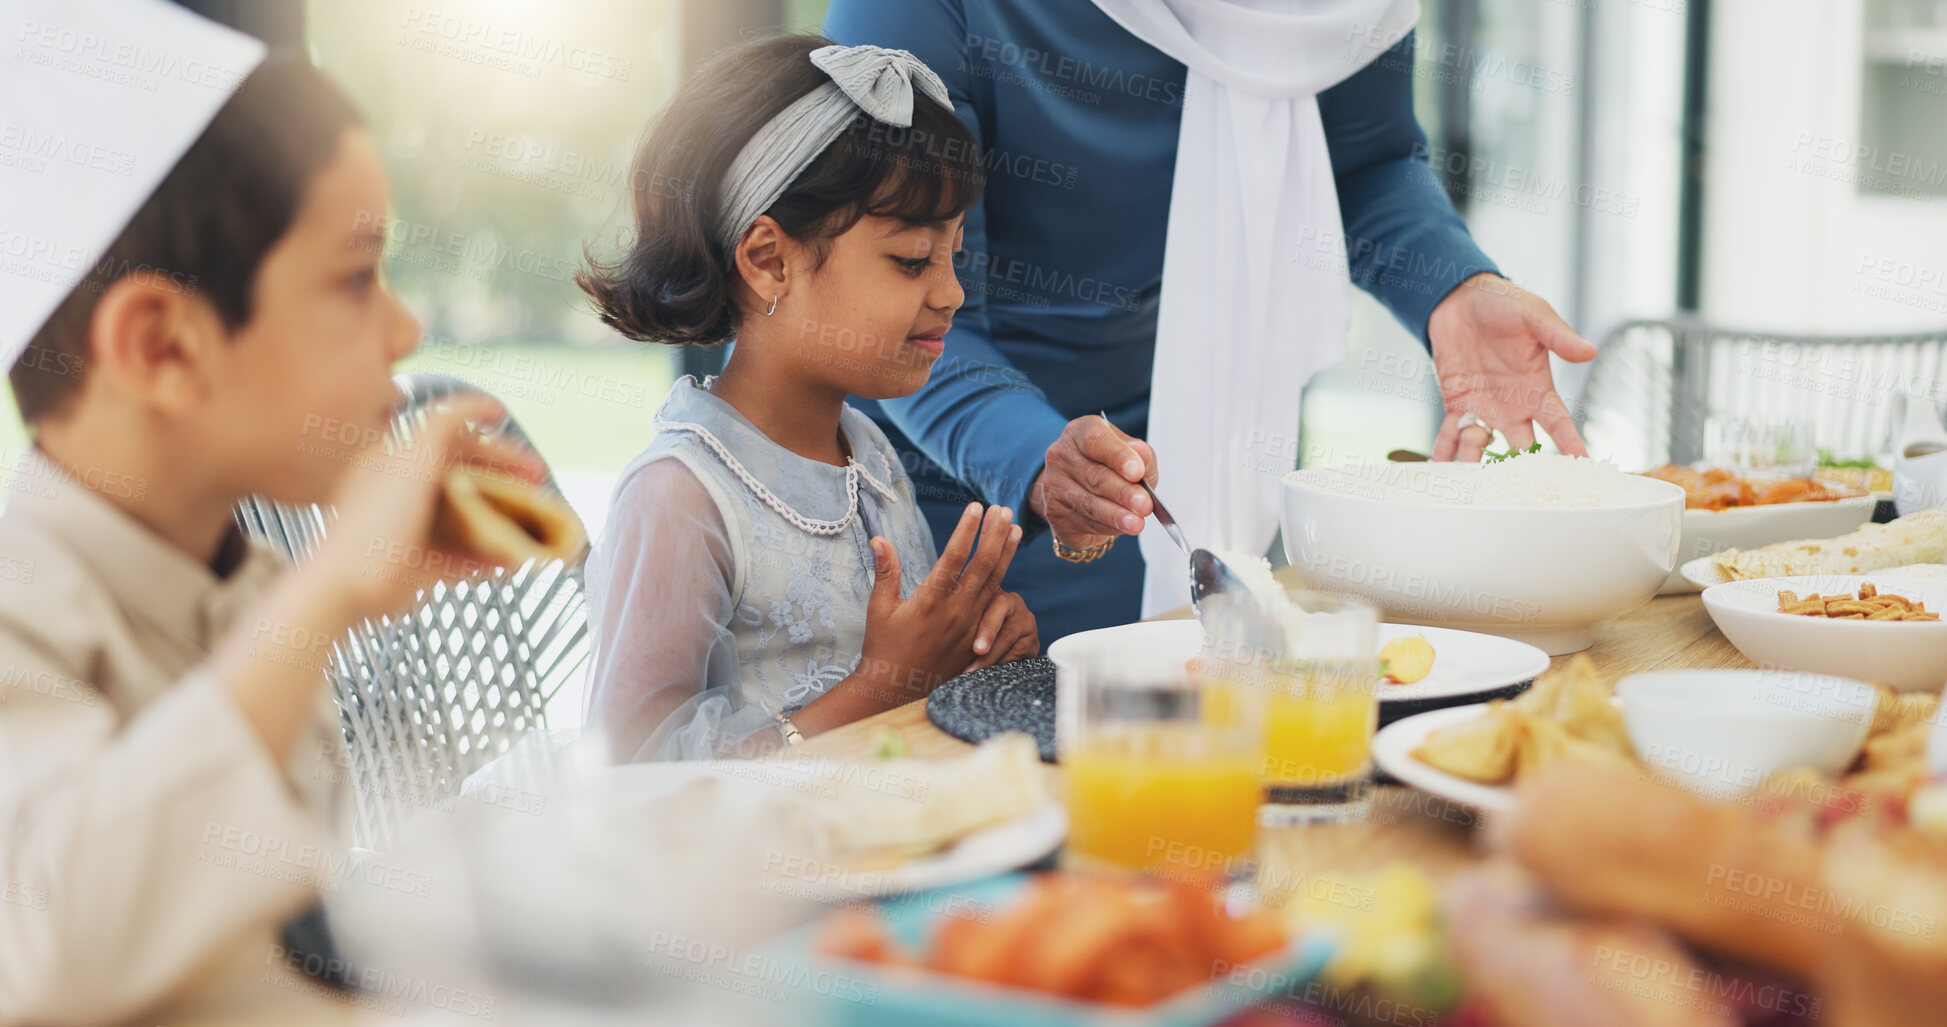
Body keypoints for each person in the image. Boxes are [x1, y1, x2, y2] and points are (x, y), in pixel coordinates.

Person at [0, 4, 546, 1021]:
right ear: (163, 347)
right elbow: (52, 941)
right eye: (352, 279)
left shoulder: (241, 574)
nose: (406, 325)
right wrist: (325, 593)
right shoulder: (22, 608)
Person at [825, 0, 1598, 640]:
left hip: (1193, 446)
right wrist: (1037, 458)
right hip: (955, 471)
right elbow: (893, 303)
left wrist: (1454, 285)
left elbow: (1364, 162)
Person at [578, 36, 1039, 762]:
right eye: (912, 260)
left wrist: (969, 659)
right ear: (769, 260)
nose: (950, 294)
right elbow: (634, 792)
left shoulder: (869, 451)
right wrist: (880, 686)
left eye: (954, 255)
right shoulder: (679, 500)